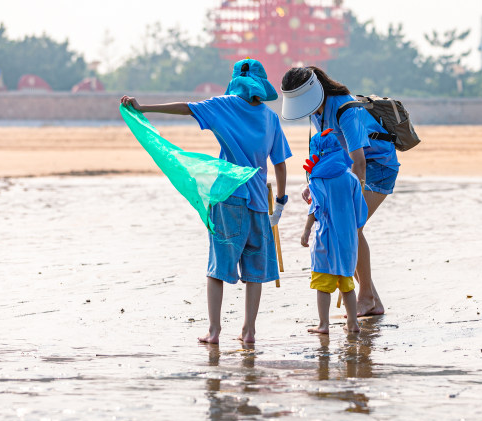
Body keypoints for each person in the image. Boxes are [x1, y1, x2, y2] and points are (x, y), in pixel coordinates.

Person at [120, 59, 291, 345]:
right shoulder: (270, 118)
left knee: (218, 268)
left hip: (228, 198)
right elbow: (281, 165)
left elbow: (187, 108)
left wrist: (144, 108)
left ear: (235, 80)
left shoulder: (223, 105)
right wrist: (281, 203)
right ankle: (249, 332)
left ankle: (214, 331)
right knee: (256, 272)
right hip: (260, 203)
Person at [281, 66, 398, 317]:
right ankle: (372, 300)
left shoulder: (346, 109)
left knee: (352, 228)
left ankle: (366, 297)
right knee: (347, 229)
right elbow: (323, 151)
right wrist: (312, 183)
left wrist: (347, 195)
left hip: (378, 166)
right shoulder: (316, 110)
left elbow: (360, 161)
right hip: (350, 169)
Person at [300, 128, 368, 334]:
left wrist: (305, 232)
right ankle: (353, 323)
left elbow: (315, 209)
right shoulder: (351, 179)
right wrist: (352, 229)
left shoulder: (318, 180)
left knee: (323, 283)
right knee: (347, 282)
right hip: (348, 240)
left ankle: (324, 325)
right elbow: (360, 211)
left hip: (326, 239)